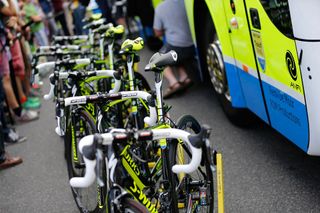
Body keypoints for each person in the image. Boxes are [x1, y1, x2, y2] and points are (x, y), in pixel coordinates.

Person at [153, 0, 195, 99]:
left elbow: (157, 33)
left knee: (157, 60)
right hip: (192, 46)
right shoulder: (185, 2)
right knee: (174, 53)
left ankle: (174, 83)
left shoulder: (160, 8)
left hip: (177, 47)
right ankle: (184, 78)